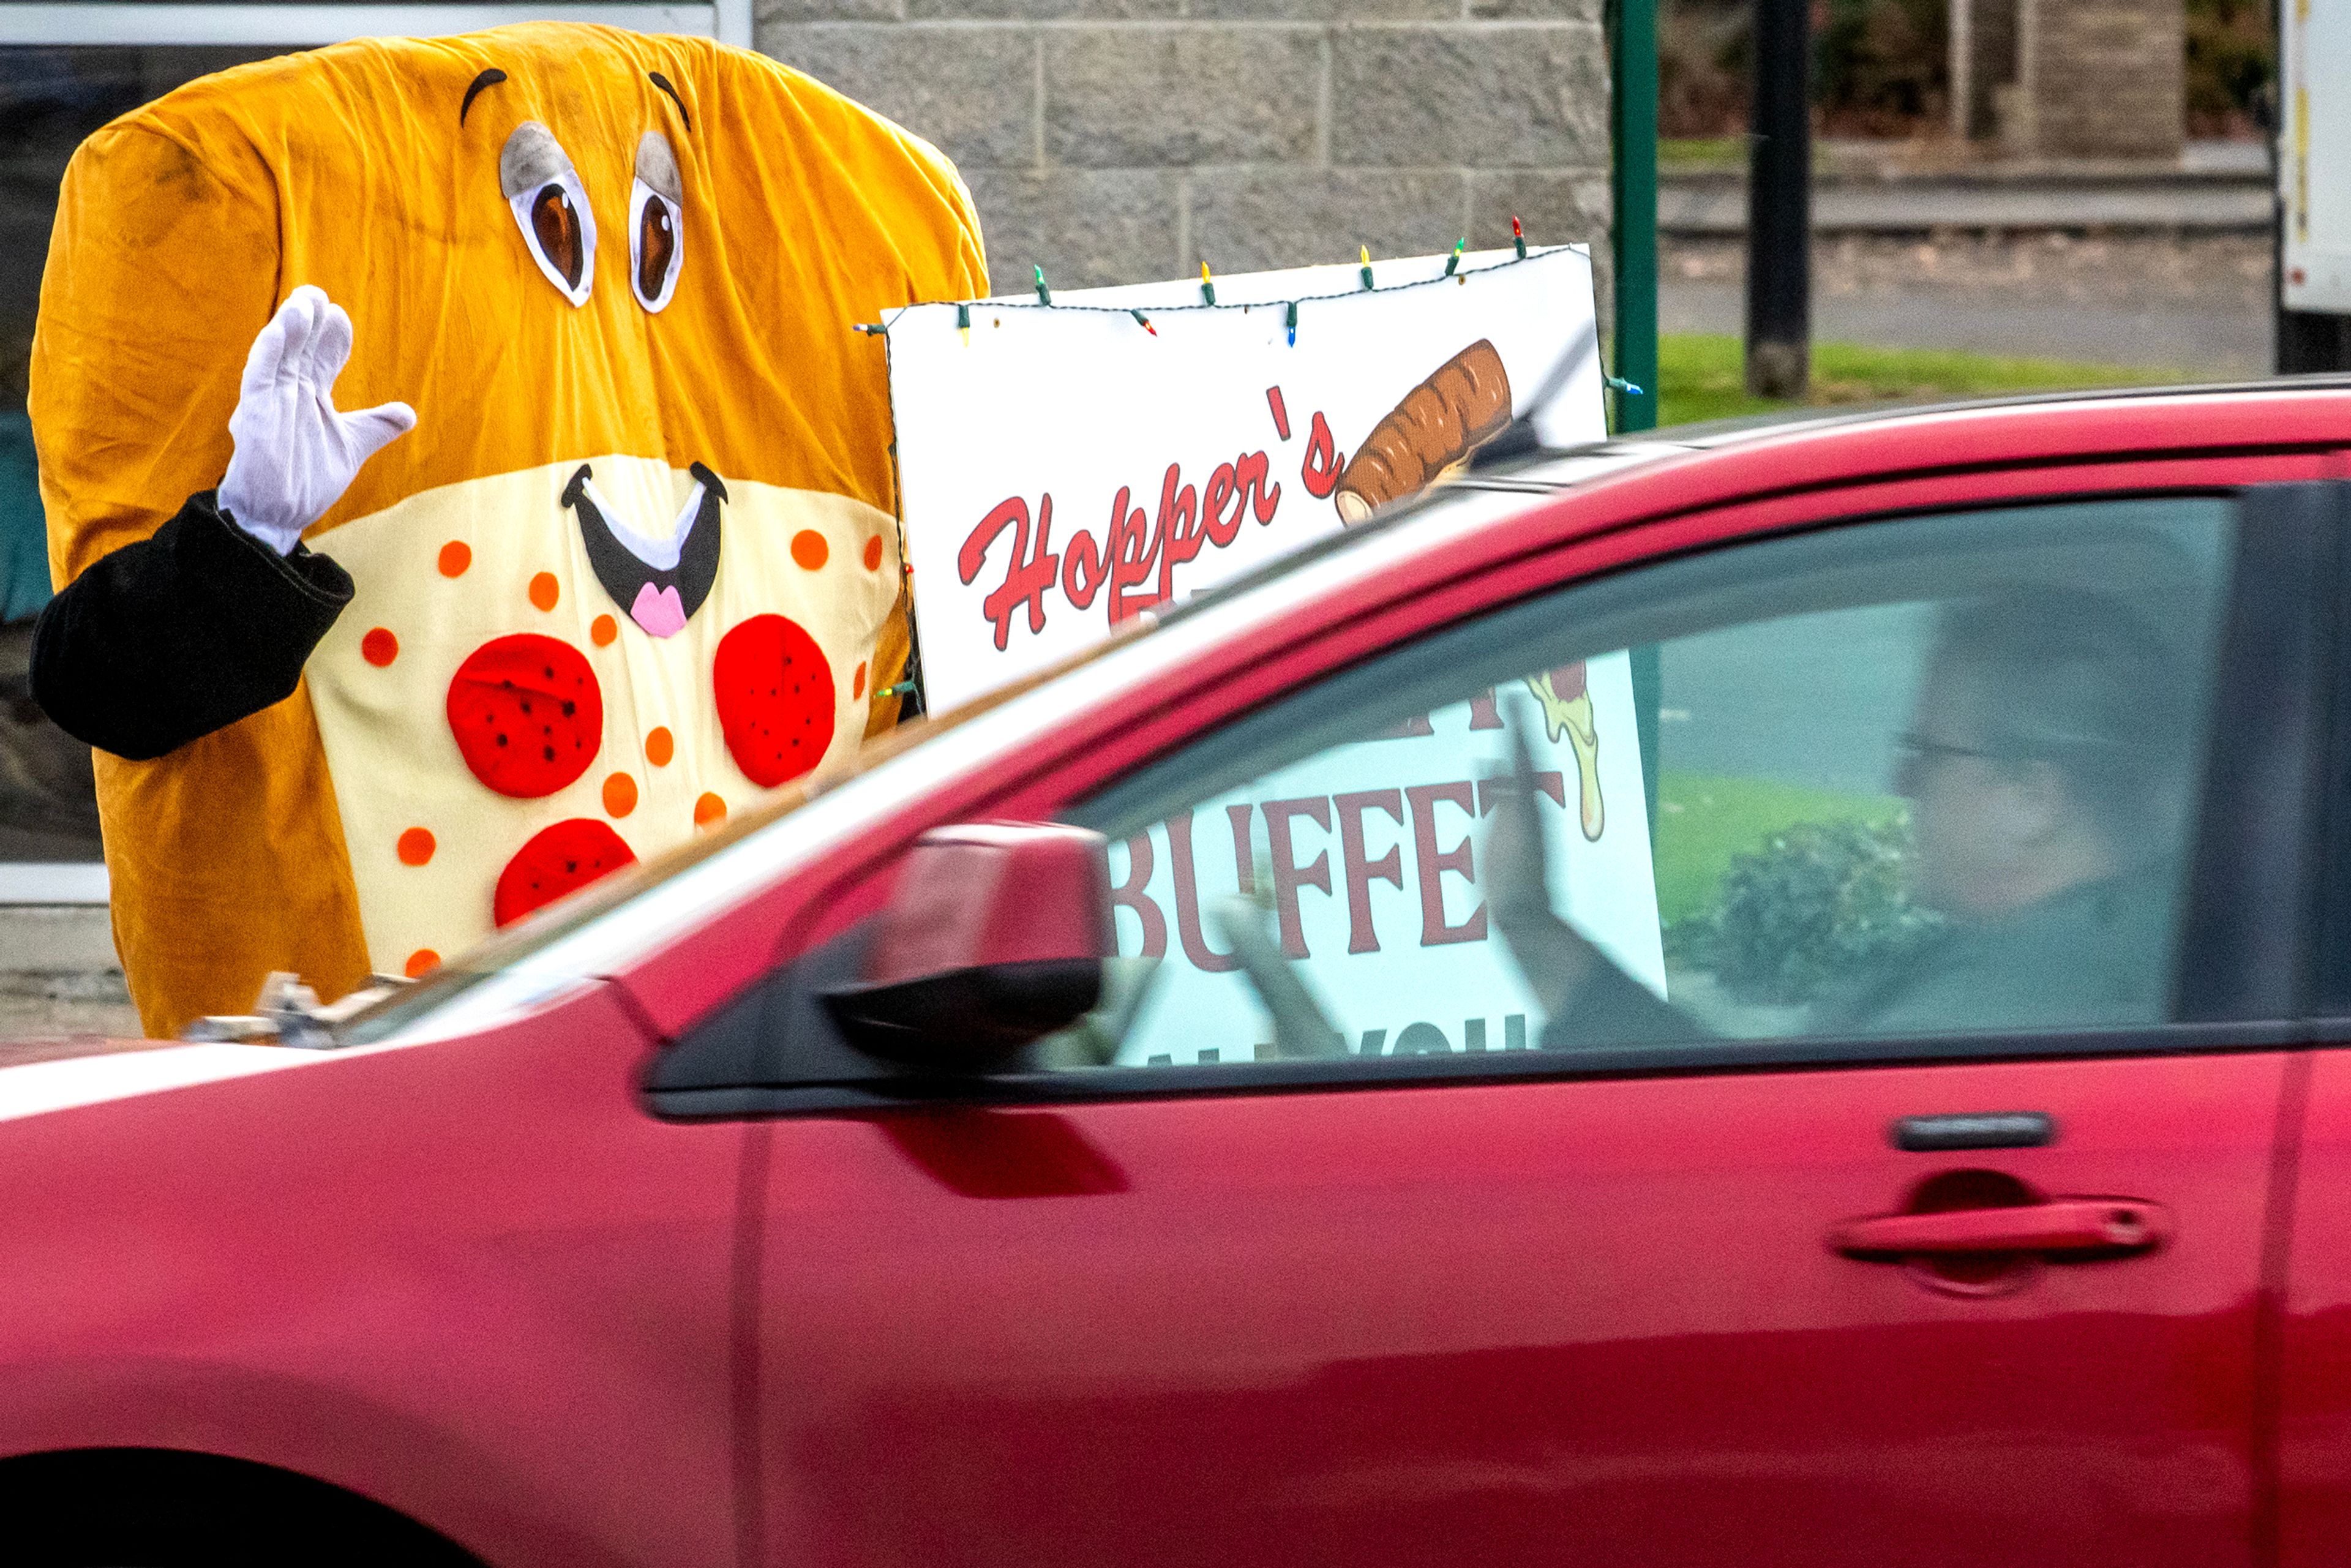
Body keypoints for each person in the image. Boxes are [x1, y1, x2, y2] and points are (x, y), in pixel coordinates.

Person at [1489, 587, 2191, 1048]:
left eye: (1928, 753)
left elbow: (1755, 1144)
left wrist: (1530, 927)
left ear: (2031, 799)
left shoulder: (2006, 1010)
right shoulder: (2082, 959)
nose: (1900, 782)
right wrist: (1531, 922)